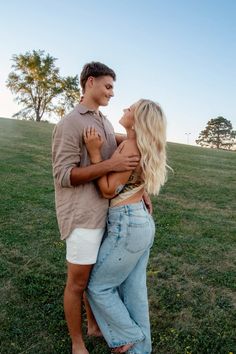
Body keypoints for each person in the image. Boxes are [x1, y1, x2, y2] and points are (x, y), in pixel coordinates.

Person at [52, 61, 140, 354]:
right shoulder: (70, 123)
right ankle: (77, 343)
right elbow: (65, 176)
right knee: (77, 283)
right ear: (90, 82)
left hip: (104, 214)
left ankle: (93, 326)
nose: (112, 93)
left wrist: (142, 186)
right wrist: (111, 164)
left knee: (92, 278)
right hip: (82, 216)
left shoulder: (103, 121)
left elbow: (119, 146)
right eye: (108, 86)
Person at [84, 99, 168, 354]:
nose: (124, 110)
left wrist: (96, 153)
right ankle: (140, 350)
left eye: (129, 109)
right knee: (134, 291)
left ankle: (128, 335)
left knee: (97, 286)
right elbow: (120, 140)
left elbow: (109, 190)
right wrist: (109, 137)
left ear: (138, 120)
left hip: (127, 225)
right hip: (140, 223)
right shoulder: (139, 144)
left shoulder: (131, 149)